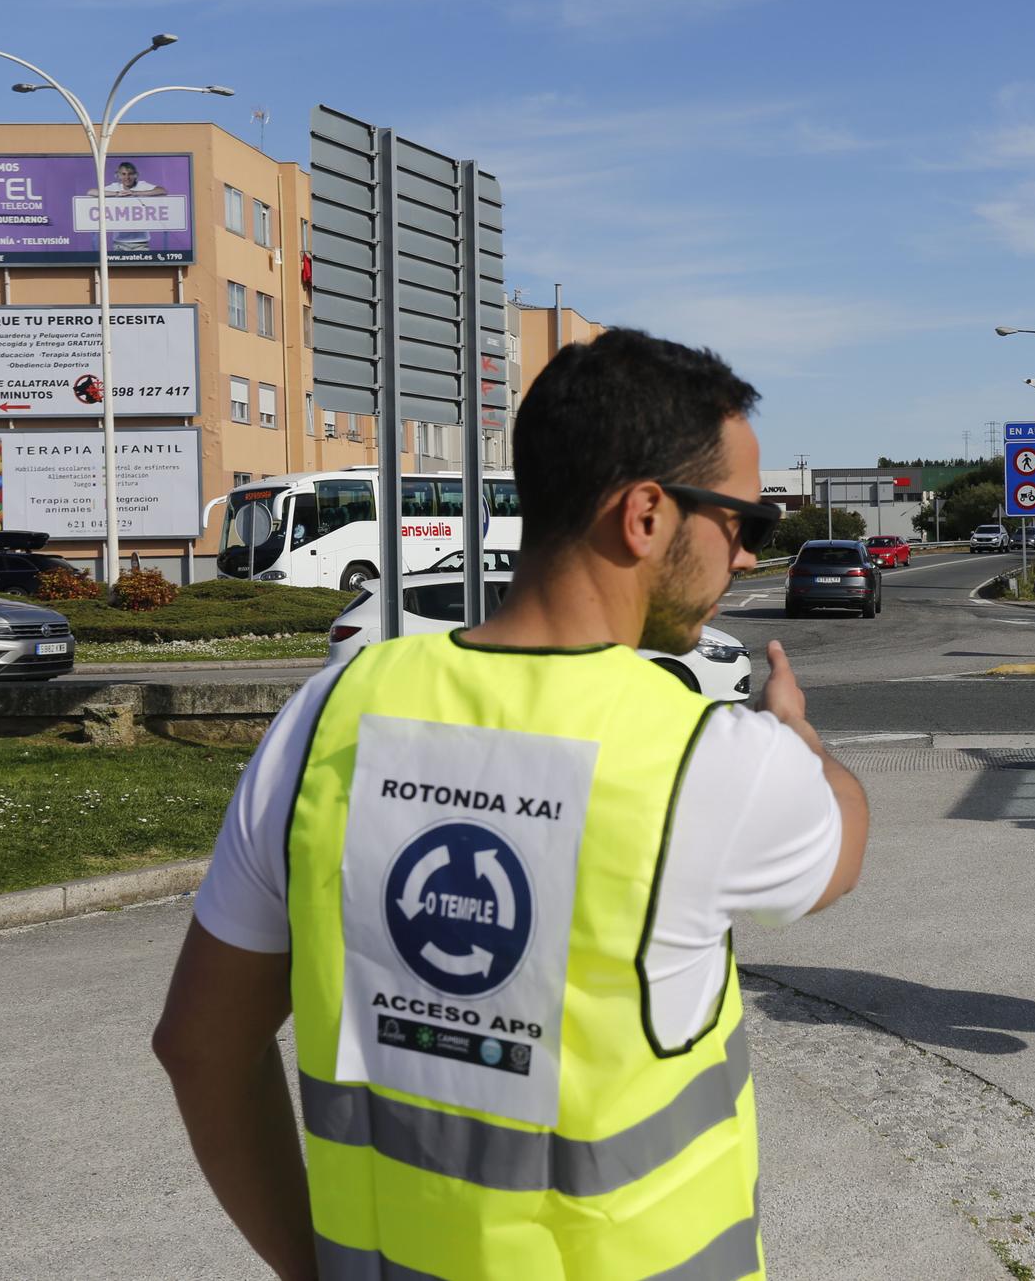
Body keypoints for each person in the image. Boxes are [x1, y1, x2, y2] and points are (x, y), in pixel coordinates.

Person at [153, 328, 870, 1280]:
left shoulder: (328, 715)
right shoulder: (713, 759)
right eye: (743, 523)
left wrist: (312, 1266)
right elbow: (843, 845)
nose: (745, 559)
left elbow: (198, 1047)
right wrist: (801, 740)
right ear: (647, 515)